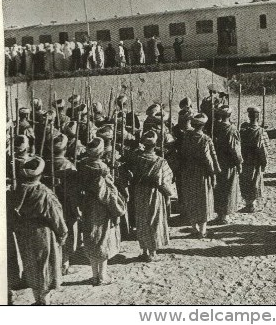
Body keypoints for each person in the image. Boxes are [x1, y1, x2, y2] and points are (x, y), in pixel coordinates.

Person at [8, 156, 67, 305]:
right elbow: (56, 216)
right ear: (40, 174)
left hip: (25, 232)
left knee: (31, 264)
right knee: (45, 265)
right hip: (43, 233)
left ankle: (37, 299)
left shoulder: (18, 191)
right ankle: (44, 301)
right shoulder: (44, 193)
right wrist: (62, 233)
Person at [78, 138, 125, 286]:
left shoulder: (84, 165)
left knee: (91, 237)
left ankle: (94, 275)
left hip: (87, 204)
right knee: (102, 238)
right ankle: (102, 275)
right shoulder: (102, 170)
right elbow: (106, 193)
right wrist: (116, 208)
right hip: (101, 208)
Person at [130, 131, 175, 261]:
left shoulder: (136, 159)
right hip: (155, 193)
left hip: (140, 192)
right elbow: (165, 181)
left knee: (142, 220)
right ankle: (152, 252)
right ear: (155, 145)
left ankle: (144, 250)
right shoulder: (161, 162)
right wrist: (169, 194)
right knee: (154, 220)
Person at [180, 113, 220, 238]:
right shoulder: (205, 139)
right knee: (203, 200)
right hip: (202, 173)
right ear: (203, 126)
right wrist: (213, 172)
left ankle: (193, 228)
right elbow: (208, 158)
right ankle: (202, 231)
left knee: (191, 199)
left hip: (188, 172)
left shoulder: (186, 137)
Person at [51, 134, 80, 275]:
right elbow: (73, 191)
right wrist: (76, 208)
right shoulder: (68, 165)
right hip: (66, 205)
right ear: (65, 149)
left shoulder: (47, 164)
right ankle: (64, 265)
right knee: (67, 233)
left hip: (52, 205)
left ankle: (56, 263)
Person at [212, 106, 243, 224]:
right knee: (228, 189)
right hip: (228, 163)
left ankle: (220, 213)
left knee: (219, 188)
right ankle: (224, 215)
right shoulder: (231, 130)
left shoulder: (216, 128)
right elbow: (235, 149)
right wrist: (239, 162)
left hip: (217, 161)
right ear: (229, 116)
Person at [239, 106, 269, 213]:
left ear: (249, 116)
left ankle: (249, 203)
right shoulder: (261, 132)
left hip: (245, 160)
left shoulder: (243, 131)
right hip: (256, 161)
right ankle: (252, 205)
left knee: (246, 181)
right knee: (255, 181)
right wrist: (265, 162)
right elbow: (265, 148)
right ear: (258, 117)